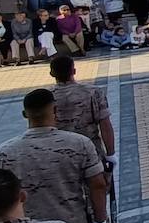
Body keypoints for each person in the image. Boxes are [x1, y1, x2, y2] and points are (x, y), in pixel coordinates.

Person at [0, 89, 109, 223]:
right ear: (55, 110)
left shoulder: (3, 154)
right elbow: (98, 185)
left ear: (25, 114)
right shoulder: (79, 143)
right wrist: (100, 220)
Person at [50, 55, 117, 186]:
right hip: (91, 152)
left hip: (60, 155)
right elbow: (105, 124)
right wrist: (111, 154)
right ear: (73, 71)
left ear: (52, 73)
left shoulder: (47, 97)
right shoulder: (93, 92)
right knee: (97, 191)